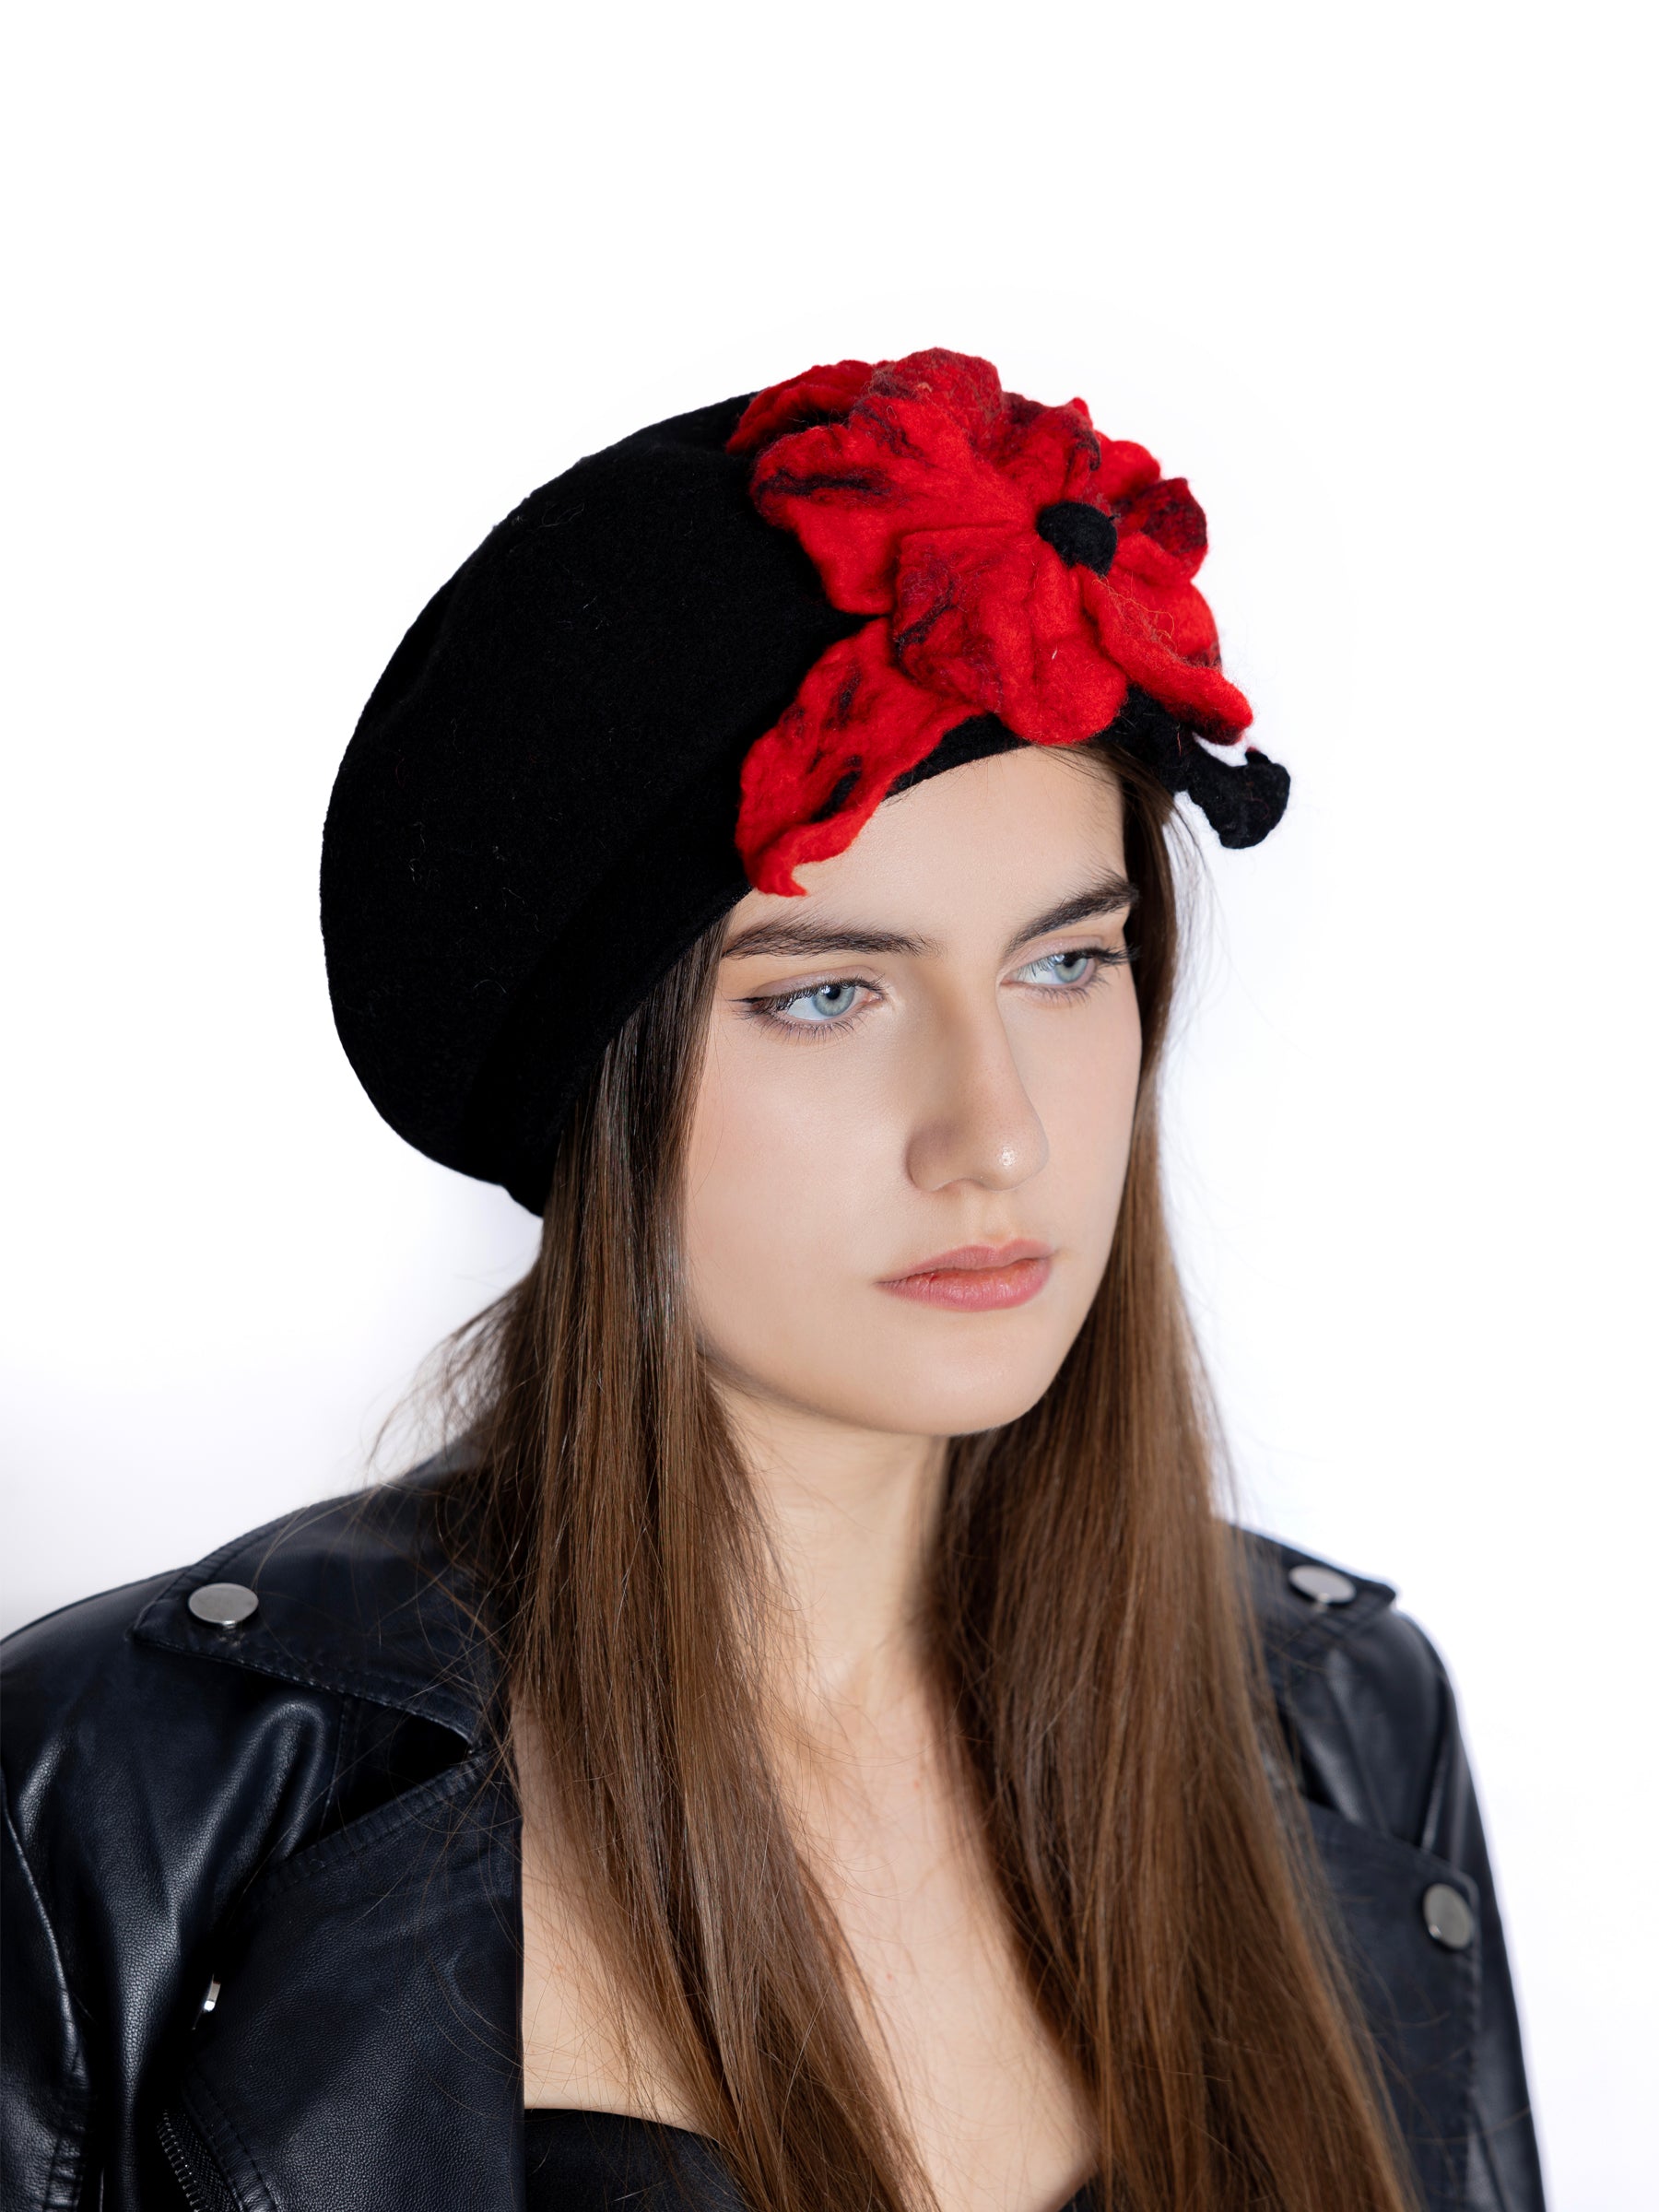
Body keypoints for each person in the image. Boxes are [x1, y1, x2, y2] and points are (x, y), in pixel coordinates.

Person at [1, 351, 1545, 2212]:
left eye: (1068, 965)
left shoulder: (1344, 1733)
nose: (995, 1133)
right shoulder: (129, 1802)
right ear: (598, 1081)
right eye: (829, 992)